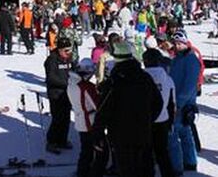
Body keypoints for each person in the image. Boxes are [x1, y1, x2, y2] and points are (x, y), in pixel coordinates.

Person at [93, 41, 163, 177]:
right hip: (143, 131)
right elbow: (158, 103)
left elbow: (102, 110)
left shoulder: (114, 82)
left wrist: (98, 133)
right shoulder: (145, 77)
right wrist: (147, 119)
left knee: (127, 169)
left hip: (121, 134)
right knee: (145, 167)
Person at [168, 31, 201, 175]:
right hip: (175, 101)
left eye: (180, 43)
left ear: (185, 42)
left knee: (176, 134)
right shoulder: (176, 59)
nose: (177, 46)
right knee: (184, 133)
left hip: (183, 103)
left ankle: (179, 165)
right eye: (175, 43)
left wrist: (178, 103)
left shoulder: (191, 59)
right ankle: (188, 161)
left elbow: (189, 86)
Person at [68, 58, 107, 177]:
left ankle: (82, 172)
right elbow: (98, 105)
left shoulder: (71, 82)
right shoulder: (86, 86)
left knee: (86, 151)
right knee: (101, 151)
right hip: (90, 122)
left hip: (80, 120)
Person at [143, 48, 176, 177]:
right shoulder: (167, 79)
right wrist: (171, 122)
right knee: (163, 153)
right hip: (163, 120)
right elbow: (171, 103)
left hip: (146, 121)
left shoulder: (141, 78)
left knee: (146, 154)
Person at [44, 37, 73, 154]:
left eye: (69, 50)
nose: (68, 53)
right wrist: (66, 84)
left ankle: (62, 140)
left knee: (66, 118)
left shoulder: (68, 59)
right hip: (56, 94)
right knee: (57, 118)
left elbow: (73, 70)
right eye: (66, 50)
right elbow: (51, 78)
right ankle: (51, 141)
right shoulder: (52, 60)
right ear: (60, 50)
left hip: (67, 93)